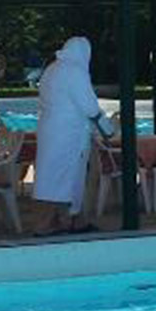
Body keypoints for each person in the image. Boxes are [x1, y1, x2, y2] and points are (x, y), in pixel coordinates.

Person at [33, 36, 104, 236]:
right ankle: (47, 224)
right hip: (68, 135)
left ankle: (70, 221)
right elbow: (90, 107)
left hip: (50, 132)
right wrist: (107, 130)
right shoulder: (75, 72)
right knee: (63, 179)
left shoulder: (52, 69)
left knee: (53, 178)